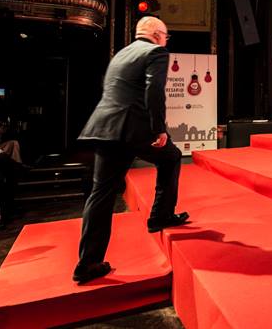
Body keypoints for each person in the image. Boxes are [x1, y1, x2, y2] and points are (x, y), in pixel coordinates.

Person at [74, 16, 187, 284]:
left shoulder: (121, 54)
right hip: (132, 129)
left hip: (106, 127)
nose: (166, 40)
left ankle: (87, 263)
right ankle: (160, 216)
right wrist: (159, 128)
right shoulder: (156, 52)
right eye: (166, 36)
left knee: (101, 193)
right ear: (158, 35)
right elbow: (154, 91)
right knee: (171, 157)